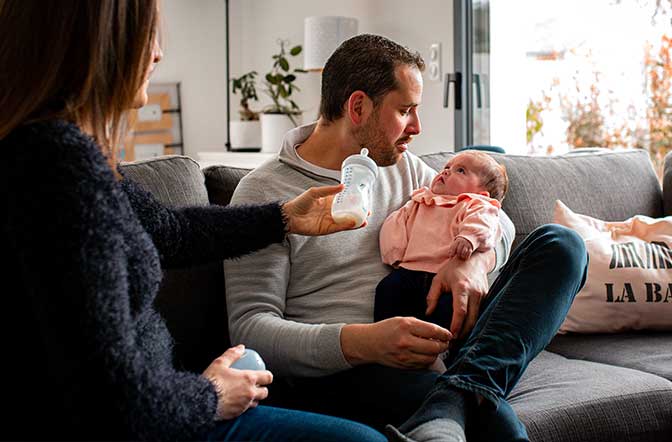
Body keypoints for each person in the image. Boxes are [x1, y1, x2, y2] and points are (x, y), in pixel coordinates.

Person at [0, 1, 388, 441]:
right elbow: (110, 400)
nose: (158, 53)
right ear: (94, 45)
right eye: (148, 35)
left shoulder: (60, 155)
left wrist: (285, 217)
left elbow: (172, 232)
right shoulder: (57, 172)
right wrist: (211, 393)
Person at [224, 34, 588, 442]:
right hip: (346, 371)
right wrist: (365, 343)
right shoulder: (262, 194)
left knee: (563, 246)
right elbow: (250, 329)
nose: (417, 127)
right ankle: (465, 390)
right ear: (358, 107)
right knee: (493, 423)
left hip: (439, 337)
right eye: (405, 111)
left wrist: (472, 261)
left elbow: (493, 217)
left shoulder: (406, 168)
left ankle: (454, 395)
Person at [374, 150, 509, 334]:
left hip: (445, 277)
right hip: (408, 271)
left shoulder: (474, 205)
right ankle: (387, 338)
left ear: (482, 194)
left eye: (460, 171)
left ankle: (442, 346)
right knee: (387, 290)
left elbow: (485, 222)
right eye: (447, 167)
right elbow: (397, 223)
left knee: (450, 308)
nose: (446, 171)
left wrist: (468, 237)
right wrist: (394, 252)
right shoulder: (420, 200)